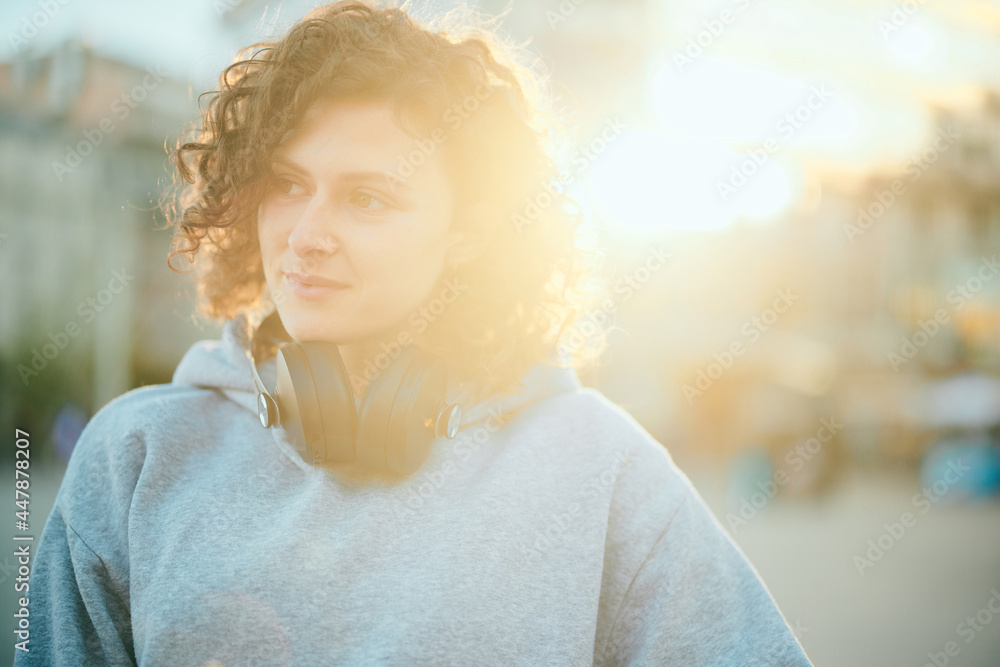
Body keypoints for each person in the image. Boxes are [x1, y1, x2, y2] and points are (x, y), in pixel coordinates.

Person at [17, 2, 813, 665]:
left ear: (467, 229)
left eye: (367, 198)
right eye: (287, 183)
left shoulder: (602, 469)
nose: (307, 234)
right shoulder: (133, 458)